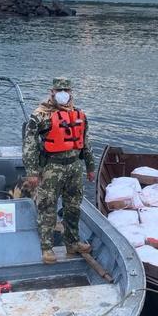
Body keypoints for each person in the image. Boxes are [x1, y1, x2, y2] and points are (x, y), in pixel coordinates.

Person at [23, 77, 95, 264]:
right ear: (52, 92)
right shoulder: (40, 115)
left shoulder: (79, 114)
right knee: (48, 207)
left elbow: (86, 142)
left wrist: (90, 166)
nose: (64, 93)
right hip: (51, 168)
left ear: (71, 92)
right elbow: (29, 144)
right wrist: (32, 171)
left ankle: (72, 242)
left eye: (67, 90)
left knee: (73, 207)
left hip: (74, 168)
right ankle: (47, 247)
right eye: (59, 90)